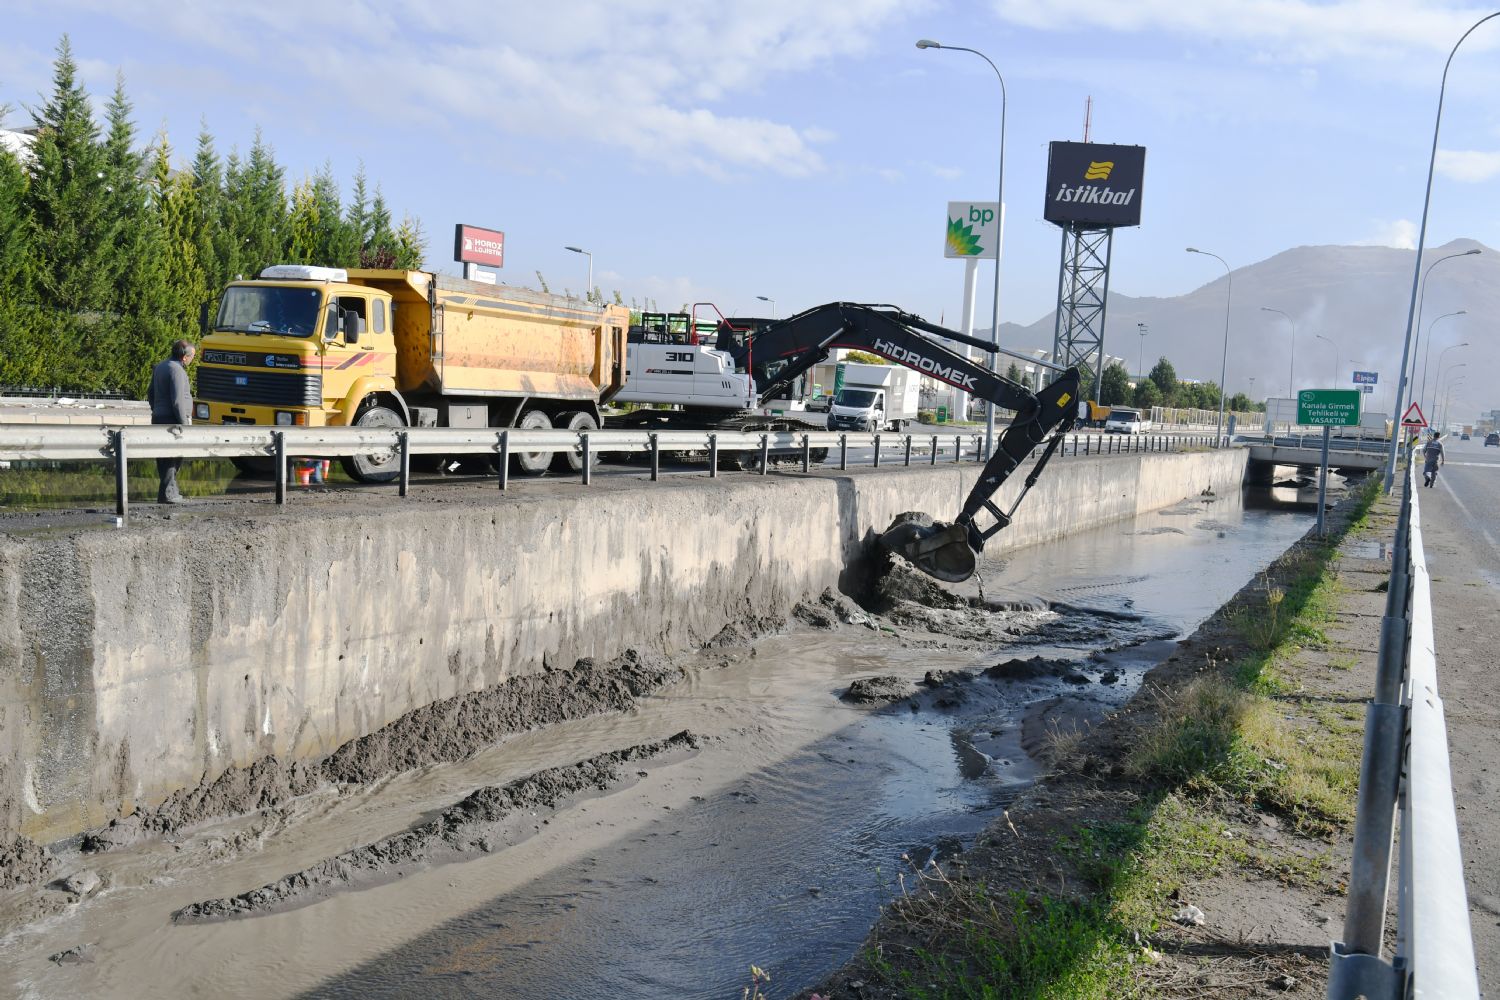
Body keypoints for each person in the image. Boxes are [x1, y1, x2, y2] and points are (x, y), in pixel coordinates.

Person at [146, 339, 196, 503]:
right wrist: (184, 423)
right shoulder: (177, 370)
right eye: (192, 356)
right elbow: (177, 401)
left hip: (159, 417)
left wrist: (156, 410)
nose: (192, 360)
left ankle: (168, 492)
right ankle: (168, 494)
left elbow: (150, 393)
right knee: (173, 457)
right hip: (173, 420)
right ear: (184, 357)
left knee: (164, 457)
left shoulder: (161, 366)